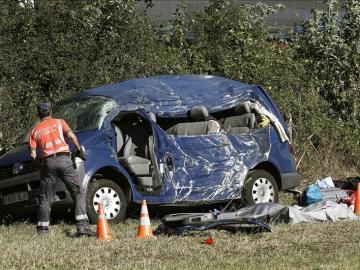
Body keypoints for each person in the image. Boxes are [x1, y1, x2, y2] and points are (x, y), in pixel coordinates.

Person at [29, 102, 95, 237]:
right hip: (64, 160)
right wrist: (78, 149)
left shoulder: (35, 130)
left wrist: (39, 167)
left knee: (46, 197)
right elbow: (71, 136)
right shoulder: (60, 122)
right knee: (78, 191)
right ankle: (82, 227)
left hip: (47, 163)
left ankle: (42, 230)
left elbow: (33, 154)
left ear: (38, 114)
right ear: (51, 112)